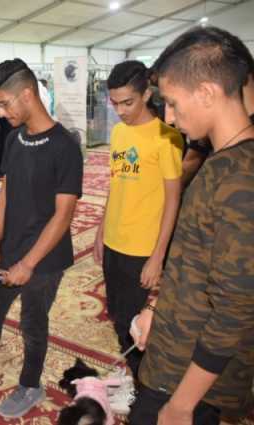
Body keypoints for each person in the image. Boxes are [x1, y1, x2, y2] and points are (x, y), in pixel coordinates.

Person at [129, 26, 254, 425]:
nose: (168, 116)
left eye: (171, 102)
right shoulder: (223, 163)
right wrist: (156, 306)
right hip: (174, 353)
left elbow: (235, 309)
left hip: (190, 383)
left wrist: (183, 404)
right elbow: (196, 262)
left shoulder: (240, 182)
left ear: (207, 93)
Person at [0, 59, 83, 419]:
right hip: (11, 249)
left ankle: (30, 385)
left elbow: (63, 215)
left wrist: (29, 263)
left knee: (32, 324)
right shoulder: (13, 137)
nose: (1, 113)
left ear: (27, 94)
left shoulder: (64, 147)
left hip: (45, 258)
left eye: (5, 104)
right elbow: (4, 195)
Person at [93, 60, 183, 379]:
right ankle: (136, 379)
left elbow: (173, 200)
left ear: (146, 93)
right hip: (114, 242)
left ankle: (148, 390)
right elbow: (116, 187)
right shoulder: (118, 133)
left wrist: (158, 256)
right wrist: (101, 232)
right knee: (118, 318)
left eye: (127, 102)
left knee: (139, 327)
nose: (120, 110)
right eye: (114, 102)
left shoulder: (166, 137)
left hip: (143, 248)